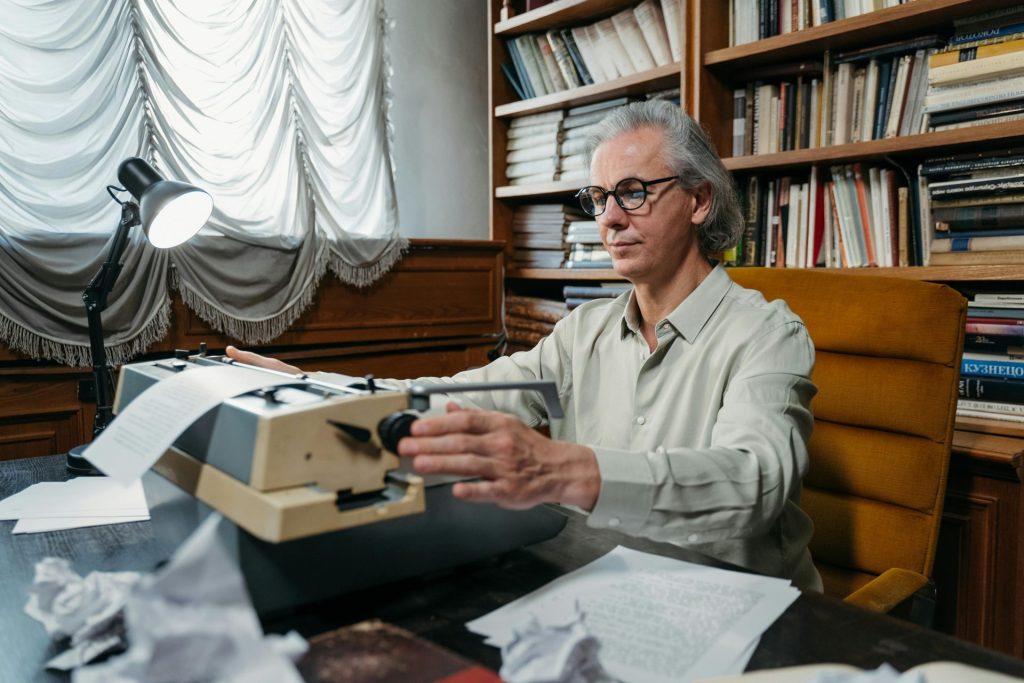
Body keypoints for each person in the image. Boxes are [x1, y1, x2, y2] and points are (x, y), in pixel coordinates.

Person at [228, 100, 821, 591]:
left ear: (699, 200)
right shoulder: (581, 332)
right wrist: (321, 388)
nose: (608, 218)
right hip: (601, 585)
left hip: (735, 606)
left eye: (634, 192)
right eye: (598, 197)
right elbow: (458, 399)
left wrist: (563, 471)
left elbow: (756, 483)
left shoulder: (769, 334)